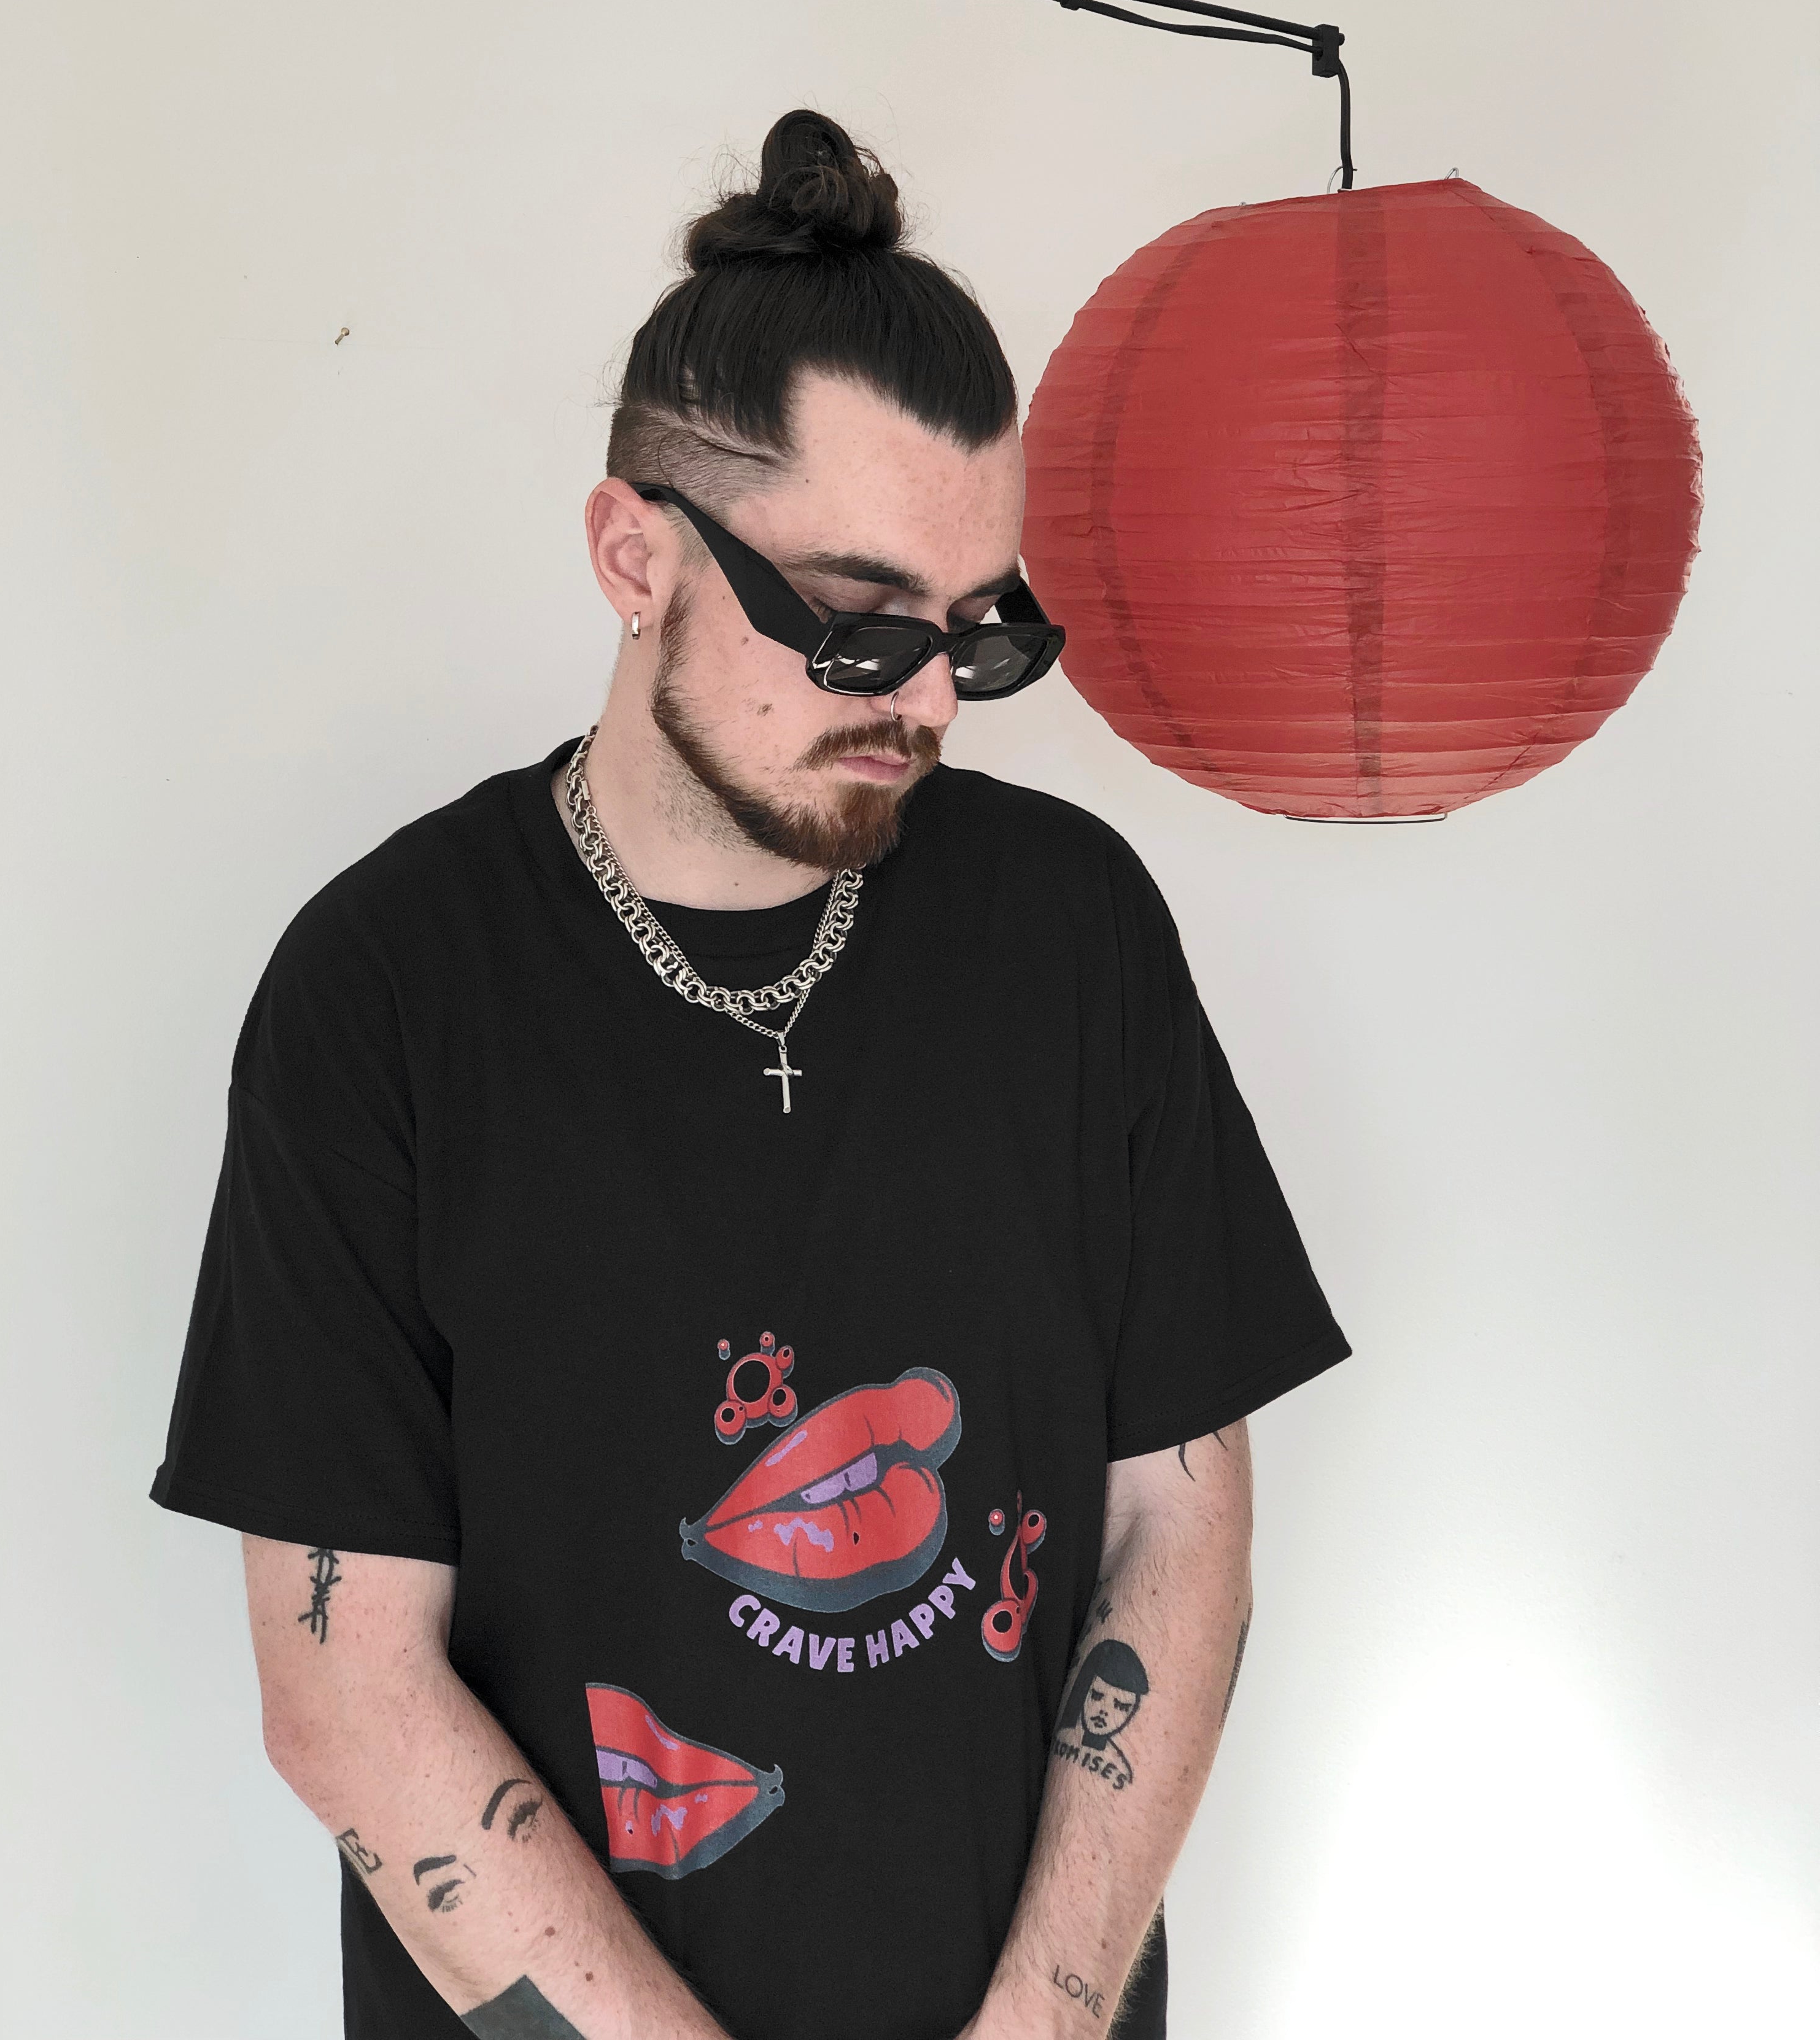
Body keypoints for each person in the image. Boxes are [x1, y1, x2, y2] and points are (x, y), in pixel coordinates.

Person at [149, 109, 1353, 2040]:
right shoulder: (378, 995)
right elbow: (347, 1688)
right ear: (637, 552)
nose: (929, 700)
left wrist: (1042, 2020)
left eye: (980, 635)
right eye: (858, 626)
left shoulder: (1075, 935)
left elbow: (1177, 1527)